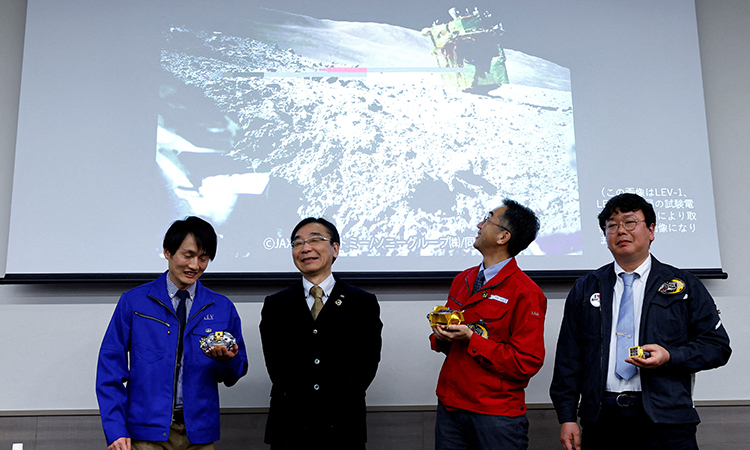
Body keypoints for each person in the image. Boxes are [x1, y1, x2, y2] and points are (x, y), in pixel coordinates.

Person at [550, 193, 731, 450]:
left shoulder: (684, 285)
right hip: (602, 420)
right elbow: (569, 357)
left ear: (651, 230)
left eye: (630, 222)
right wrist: (567, 416)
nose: (620, 231)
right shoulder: (586, 287)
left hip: (666, 421)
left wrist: (670, 356)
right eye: (612, 225)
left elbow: (717, 347)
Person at [96, 216, 248, 450]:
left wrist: (227, 361)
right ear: (167, 252)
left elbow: (235, 373)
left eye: (204, 258)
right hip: (146, 434)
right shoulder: (134, 302)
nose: (195, 265)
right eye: (187, 255)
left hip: (199, 435)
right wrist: (115, 429)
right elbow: (110, 369)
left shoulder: (222, 307)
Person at [429, 199, 547, 450]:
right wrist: (441, 335)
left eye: (488, 219)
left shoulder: (527, 292)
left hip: (495, 414)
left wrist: (472, 339)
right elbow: (447, 341)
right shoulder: (464, 278)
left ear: (504, 236)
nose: (479, 224)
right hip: (451, 407)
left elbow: (526, 362)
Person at [259, 217, 383, 450]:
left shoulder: (362, 303)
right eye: (298, 243)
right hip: (289, 426)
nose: (306, 248)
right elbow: (276, 366)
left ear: (335, 249)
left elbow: (366, 364)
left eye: (315, 240)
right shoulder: (276, 304)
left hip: (343, 425)